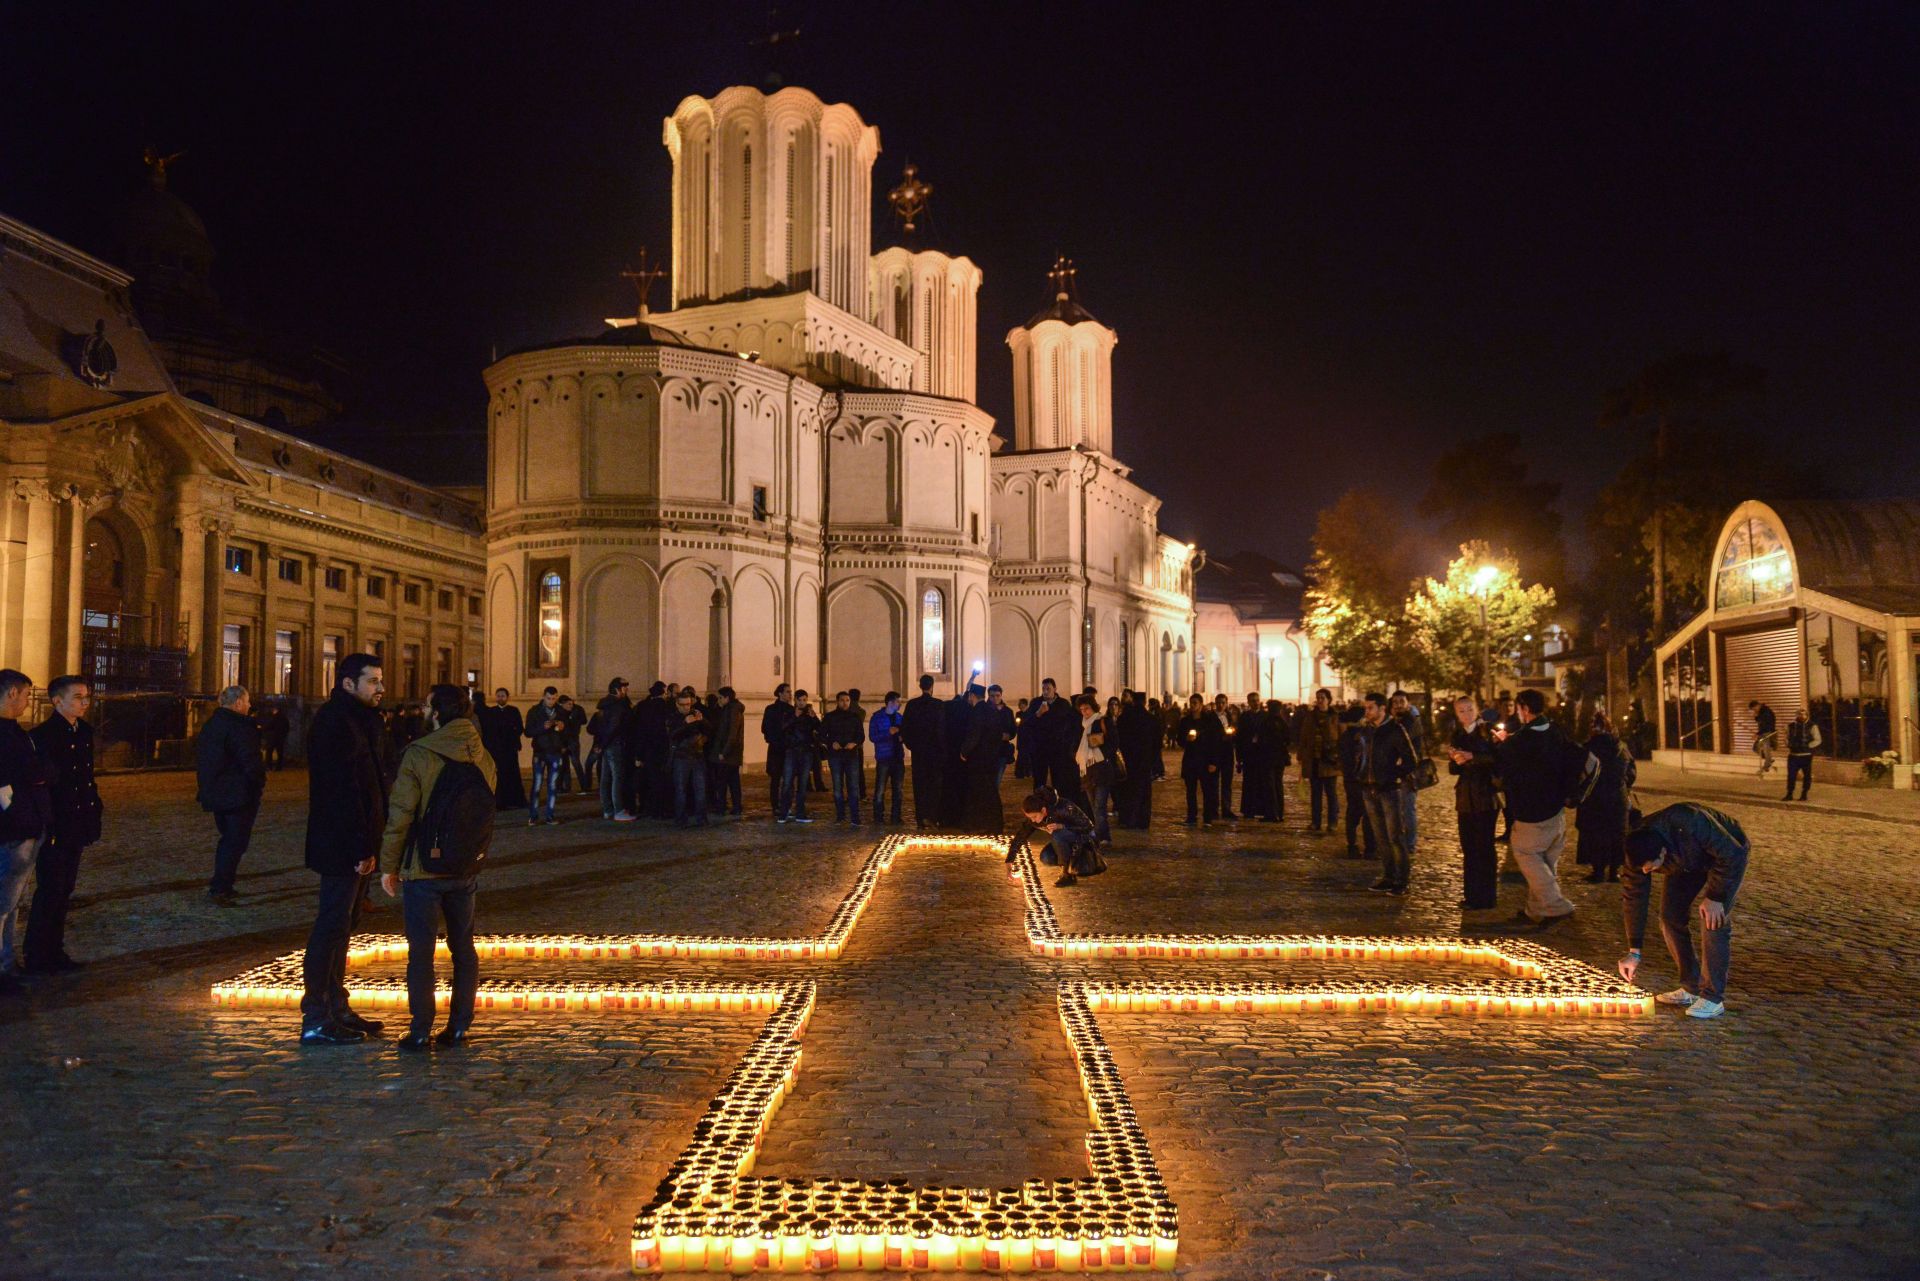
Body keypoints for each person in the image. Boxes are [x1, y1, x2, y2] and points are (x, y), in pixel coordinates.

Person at [377, 683, 495, 1051]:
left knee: (422, 952)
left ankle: (419, 1029)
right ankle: (459, 1026)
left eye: (429, 706)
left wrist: (388, 865)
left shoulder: (419, 754)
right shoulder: (483, 755)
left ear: (438, 712)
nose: (425, 711)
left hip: (423, 869)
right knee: (464, 947)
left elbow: (401, 815)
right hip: (464, 868)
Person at [300, 653, 391, 1045]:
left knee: (345, 926)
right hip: (342, 843)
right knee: (331, 925)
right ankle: (316, 1016)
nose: (381, 689)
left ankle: (337, 1005)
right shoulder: (334, 722)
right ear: (348, 683)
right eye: (372, 681)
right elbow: (340, 792)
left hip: (360, 841)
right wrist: (360, 846)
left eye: (380, 681)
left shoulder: (362, 720)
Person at [1618, 803, 1749, 1019]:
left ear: (1662, 852)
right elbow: (1634, 897)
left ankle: (1712, 997)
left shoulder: (1690, 821)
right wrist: (1634, 951)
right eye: (1642, 868)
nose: (1646, 872)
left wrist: (1716, 897)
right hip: (1683, 862)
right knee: (1670, 917)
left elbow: (1733, 854)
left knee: (1713, 919)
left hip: (1726, 857)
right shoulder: (1637, 850)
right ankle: (1691, 987)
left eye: (1651, 867)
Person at [19, 676, 101, 975]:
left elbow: (86, 778)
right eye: (78, 696)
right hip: (57, 821)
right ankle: (38, 953)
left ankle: (55, 950)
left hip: (77, 820)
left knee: (65, 887)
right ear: (57, 701)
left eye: (86, 696)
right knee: (50, 888)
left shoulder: (84, 732)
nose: (85, 701)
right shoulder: (43, 735)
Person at [1489, 689, 1583, 929]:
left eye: (1519, 709)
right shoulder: (1556, 732)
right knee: (1545, 863)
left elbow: (1504, 768)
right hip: (1556, 811)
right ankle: (1536, 910)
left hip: (1532, 812)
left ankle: (1557, 906)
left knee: (1527, 855)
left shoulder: (1521, 740)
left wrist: (1502, 744)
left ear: (1524, 709)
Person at [0, 670, 51, 996]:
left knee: (11, 903)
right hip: (14, 828)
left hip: (23, 825)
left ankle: (6, 963)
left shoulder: (14, 732)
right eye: (27, 695)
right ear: (12, 693)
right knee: (4, 903)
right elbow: (14, 780)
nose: (28, 702)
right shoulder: (6, 735)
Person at [197, 684, 268, 906]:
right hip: (238, 794)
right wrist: (258, 782)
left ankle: (223, 884)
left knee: (229, 839)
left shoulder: (211, 724)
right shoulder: (240, 726)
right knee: (234, 842)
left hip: (217, 792)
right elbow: (251, 761)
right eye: (246, 702)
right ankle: (220, 887)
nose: (249, 706)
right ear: (238, 703)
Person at [1357, 692, 1418, 894]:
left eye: (1370, 708)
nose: (1366, 711)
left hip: (1389, 789)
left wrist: (1392, 774)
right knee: (1380, 837)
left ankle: (1401, 879)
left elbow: (1411, 760)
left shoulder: (1395, 729)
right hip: (1369, 788)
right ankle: (1388, 875)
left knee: (1395, 836)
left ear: (1382, 709)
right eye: (1366, 708)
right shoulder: (1366, 730)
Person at [1445, 695, 1500, 911]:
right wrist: (1455, 759)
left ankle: (1486, 897)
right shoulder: (1458, 734)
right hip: (1465, 797)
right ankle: (1471, 895)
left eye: (1469, 709)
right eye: (1461, 711)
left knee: (1484, 847)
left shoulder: (1488, 731)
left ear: (1477, 709)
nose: (1466, 714)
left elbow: (1498, 759)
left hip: (1486, 795)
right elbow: (1453, 770)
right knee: (1468, 846)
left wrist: (1473, 757)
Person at [1576, 709, 1636, 883]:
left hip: (1594, 798)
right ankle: (1614, 871)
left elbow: (1581, 774)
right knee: (1616, 834)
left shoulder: (1588, 748)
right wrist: (1624, 785)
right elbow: (1631, 772)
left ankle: (1598, 871)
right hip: (1618, 796)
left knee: (1595, 833)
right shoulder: (1621, 748)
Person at [1005, 786, 1099, 888]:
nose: (1032, 820)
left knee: (1057, 833)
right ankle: (1070, 863)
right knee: (1046, 857)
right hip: (1067, 843)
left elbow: (1088, 827)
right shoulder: (1034, 818)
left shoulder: (1063, 808)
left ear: (1043, 810)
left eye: (1034, 817)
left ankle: (1067, 875)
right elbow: (1020, 837)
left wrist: (1063, 826)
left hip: (1084, 840)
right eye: (1030, 818)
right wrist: (1009, 862)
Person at [957, 684, 1006, 834]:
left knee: (976, 790)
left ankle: (975, 823)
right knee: (990, 790)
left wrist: (964, 751)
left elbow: (974, 735)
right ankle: (994, 823)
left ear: (972, 696)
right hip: (991, 757)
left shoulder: (977, 712)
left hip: (978, 758)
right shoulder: (992, 710)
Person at [900, 675, 945, 828]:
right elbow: (942, 730)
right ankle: (933, 816)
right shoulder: (938, 705)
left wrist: (912, 745)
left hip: (919, 752)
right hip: (935, 752)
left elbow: (905, 728)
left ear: (920, 686)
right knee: (935, 785)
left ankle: (921, 818)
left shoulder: (912, 705)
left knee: (919, 785)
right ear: (932, 686)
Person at [1114, 690, 1161, 830]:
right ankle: (1143, 820)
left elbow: (1119, 739)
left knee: (1128, 790)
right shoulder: (1151, 719)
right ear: (1145, 702)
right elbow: (1157, 743)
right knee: (1144, 791)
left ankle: (1128, 819)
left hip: (1128, 760)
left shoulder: (1124, 718)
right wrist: (1153, 759)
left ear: (1133, 701)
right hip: (1145, 760)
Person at [475, 688, 527, 811]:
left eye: (503, 696)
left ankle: (515, 800)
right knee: (499, 775)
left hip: (510, 748)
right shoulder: (492, 712)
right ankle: (500, 801)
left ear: (507, 697)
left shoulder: (513, 711)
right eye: (498, 696)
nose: (500, 698)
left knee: (512, 773)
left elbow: (519, 727)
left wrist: (510, 734)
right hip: (497, 749)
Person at [1177, 694, 1225, 827]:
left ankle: (1207, 818)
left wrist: (1214, 762)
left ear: (1201, 704)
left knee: (1207, 790)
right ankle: (1192, 816)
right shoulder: (1185, 721)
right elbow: (1179, 740)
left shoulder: (1209, 720)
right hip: (1190, 760)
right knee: (1190, 791)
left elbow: (1216, 742)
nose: (1193, 706)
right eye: (1191, 703)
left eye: (1195, 703)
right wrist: (1186, 739)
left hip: (1205, 760)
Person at [1298, 688, 1341, 834]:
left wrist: (1338, 756)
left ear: (1329, 699)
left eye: (1323, 697)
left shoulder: (1335, 716)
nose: (1320, 700)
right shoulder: (1310, 716)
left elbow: (1341, 737)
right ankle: (1316, 822)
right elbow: (1303, 736)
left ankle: (1332, 822)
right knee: (1315, 794)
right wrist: (1301, 755)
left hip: (1329, 761)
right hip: (1314, 760)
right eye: (1318, 698)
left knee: (1331, 794)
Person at [1074, 695, 1116, 845]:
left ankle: (1103, 837)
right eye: (1082, 710)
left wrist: (1100, 753)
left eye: (1087, 709)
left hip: (1102, 769)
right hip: (1088, 772)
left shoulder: (1103, 721)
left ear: (1094, 707)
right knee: (1093, 805)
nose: (1084, 712)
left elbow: (1113, 742)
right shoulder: (1083, 725)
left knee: (1100, 805)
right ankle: (1098, 834)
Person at [1337, 704, 1376, 860]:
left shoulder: (1346, 735)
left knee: (1353, 813)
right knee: (1367, 814)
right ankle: (1370, 848)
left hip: (1351, 779)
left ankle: (1352, 845)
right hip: (1363, 779)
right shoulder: (1365, 735)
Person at [667, 689, 710, 827]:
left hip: (697, 755)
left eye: (688, 704)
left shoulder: (695, 714)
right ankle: (680, 819)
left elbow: (710, 730)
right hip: (681, 757)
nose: (687, 707)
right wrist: (685, 724)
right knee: (680, 789)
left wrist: (701, 720)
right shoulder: (673, 717)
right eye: (683, 704)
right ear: (677, 704)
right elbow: (672, 736)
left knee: (700, 789)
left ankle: (702, 818)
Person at [595, 678, 636, 821]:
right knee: (617, 778)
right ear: (617, 690)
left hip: (606, 744)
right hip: (615, 744)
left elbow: (598, 726)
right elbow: (614, 727)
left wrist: (601, 744)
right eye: (624, 688)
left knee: (606, 778)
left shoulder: (604, 704)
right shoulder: (618, 706)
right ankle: (618, 810)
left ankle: (607, 809)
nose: (627, 691)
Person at [821, 691, 865, 824]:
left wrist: (854, 743)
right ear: (837, 701)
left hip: (851, 755)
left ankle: (855, 817)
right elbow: (822, 734)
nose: (845, 703)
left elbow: (860, 735)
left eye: (847, 700)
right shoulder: (830, 717)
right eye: (842, 700)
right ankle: (840, 816)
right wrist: (831, 743)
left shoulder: (855, 717)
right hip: (836, 756)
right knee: (837, 787)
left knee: (853, 787)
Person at [523, 686, 564, 826]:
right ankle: (533, 816)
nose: (551, 701)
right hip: (540, 752)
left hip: (555, 751)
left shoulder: (561, 711)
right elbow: (527, 731)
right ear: (543, 696)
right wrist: (542, 727)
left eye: (554, 698)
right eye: (549, 698)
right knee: (537, 784)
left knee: (552, 785)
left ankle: (550, 816)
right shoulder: (535, 711)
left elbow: (570, 730)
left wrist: (562, 727)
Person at [777, 691, 820, 823]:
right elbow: (783, 728)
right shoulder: (789, 713)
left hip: (806, 751)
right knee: (787, 782)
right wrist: (794, 717)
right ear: (795, 700)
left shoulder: (809, 715)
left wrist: (814, 717)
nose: (802, 702)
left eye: (804, 700)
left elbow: (819, 728)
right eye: (800, 700)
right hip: (791, 751)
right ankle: (784, 812)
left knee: (802, 784)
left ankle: (800, 813)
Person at [634, 681, 674, 818]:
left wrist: (638, 754)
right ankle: (662, 809)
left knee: (649, 780)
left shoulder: (643, 706)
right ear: (663, 693)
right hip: (663, 749)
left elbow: (639, 731)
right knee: (663, 780)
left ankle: (648, 808)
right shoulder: (667, 707)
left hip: (647, 750)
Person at [1236, 695, 1278, 822]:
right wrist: (1239, 757)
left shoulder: (1266, 716)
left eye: (1257, 700)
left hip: (1263, 754)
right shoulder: (1244, 717)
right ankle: (1249, 810)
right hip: (1249, 753)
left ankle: (1265, 811)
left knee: (1264, 783)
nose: (1255, 703)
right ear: (1248, 702)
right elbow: (1240, 736)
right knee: (1249, 783)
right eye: (1253, 701)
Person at [707, 686, 745, 817]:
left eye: (720, 698)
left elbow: (731, 733)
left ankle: (722, 807)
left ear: (727, 698)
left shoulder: (732, 711)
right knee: (733, 781)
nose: (719, 701)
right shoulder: (731, 709)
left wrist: (724, 751)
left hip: (728, 753)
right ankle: (736, 806)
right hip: (732, 753)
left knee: (723, 781)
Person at [762, 683, 797, 823]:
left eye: (791, 692)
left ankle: (787, 805)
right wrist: (775, 738)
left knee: (789, 780)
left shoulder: (792, 709)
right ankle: (775, 805)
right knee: (775, 778)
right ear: (780, 693)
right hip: (776, 748)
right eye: (788, 692)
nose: (790, 694)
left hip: (789, 749)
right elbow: (765, 728)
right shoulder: (771, 709)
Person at [869, 691, 905, 825]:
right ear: (890, 702)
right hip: (884, 757)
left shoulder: (899, 718)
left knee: (898, 789)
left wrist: (902, 736)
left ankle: (896, 817)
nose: (900, 704)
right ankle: (878, 817)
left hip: (898, 757)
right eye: (898, 701)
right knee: (880, 789)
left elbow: (904, 733)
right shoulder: (877, 718)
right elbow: (873, 737)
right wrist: (888, 733)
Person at [1783, 709, 1822, 800]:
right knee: (1791, 775)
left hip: (1806, 755)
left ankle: (1804, 793)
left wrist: (1809, 745)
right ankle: (1790, 793)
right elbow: (1786, 737)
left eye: (1803, 715)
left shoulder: (1812, 726)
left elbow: (1818, 739)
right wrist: (1787, 743)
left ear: (1807, 715)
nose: (1801, 716)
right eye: (1799, 714)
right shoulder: (1791, 726)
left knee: (1807, 775)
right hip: (1793, 754)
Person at [986, 685, 1018, 791]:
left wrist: (1009, 735)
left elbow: (1013, 729)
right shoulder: (984, 710)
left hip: (1002, 751)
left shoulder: (1008, 711)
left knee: (997, 780)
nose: (995, 698)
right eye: (992, 696)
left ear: (1001, 695)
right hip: (987, 750)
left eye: (997, 695)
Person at [555, 694, 589, 794]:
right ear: (562, 704)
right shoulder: (558, 712)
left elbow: (584, 721)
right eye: (568, 704)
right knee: (564, 765)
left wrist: (574, 718)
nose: (571, 705)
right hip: (564, 740)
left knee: (575, 763)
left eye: (571, 703)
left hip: (573, 739)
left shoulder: (577, 709)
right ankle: (565, 787)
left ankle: (583, 786)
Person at [1749, 700, 1777, 777]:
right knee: (1755, 748)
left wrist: (1757, 734)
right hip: (1763, 732)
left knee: (1765, 748)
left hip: (1768, 733)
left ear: (1757, 705)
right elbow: (1760, 722)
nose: (1754, 711)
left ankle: (1766, 765)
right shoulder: (1761, 712)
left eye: (1754, 709)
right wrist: (1756, 716)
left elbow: (1766, 725)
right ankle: (1769, 760)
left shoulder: (1766, 712)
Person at [260, 703, 290, 771]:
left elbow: (270, 726)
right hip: (281, 738)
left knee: (269, 752)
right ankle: (279, 767)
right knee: (280, 753)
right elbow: (287, 727)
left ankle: (269, 766)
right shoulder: (284, 717)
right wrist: (284, 735)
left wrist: (262, 728)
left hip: (273, 738)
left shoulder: (274, 717)